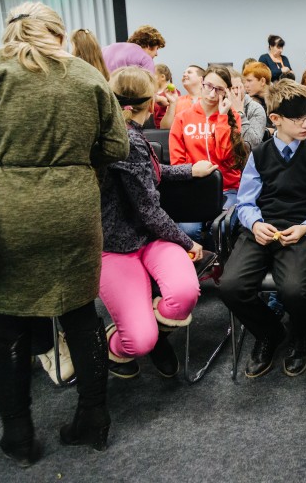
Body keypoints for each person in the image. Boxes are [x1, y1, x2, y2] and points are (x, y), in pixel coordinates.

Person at [0, 1, 129, 466]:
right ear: (58, 33)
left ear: (10, 30)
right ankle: (93, 418)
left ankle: (19, 436)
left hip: (12, 211)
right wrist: (73, 159)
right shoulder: (87, 76)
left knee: (7, 322)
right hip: (75, 209)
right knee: (81, 314)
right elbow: (116, 145)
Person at [219, 81, 306, 378]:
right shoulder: (259, 154)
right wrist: (255, 223)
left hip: (299, 229)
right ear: (275, 119)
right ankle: (270, 333)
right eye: (297, 119)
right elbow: (245, 202)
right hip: (260, 228)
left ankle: (300, 335)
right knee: (231, 287)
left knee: (294, 290)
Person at [99, 67, 212, 379]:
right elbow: (150, 210)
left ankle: (148, 328)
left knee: (184, 295)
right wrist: (188, 242)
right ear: (150, 103)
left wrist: (188, 170)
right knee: (139, 340)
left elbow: (146, 173)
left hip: (150, 238)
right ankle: (115, 343)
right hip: (118, 246)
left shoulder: (123, 132)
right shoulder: (126, 139)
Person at [169, 66, 247, 242]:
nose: (212, 94)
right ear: (202, 83)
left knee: (219, 228)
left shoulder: (233, 116)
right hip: (193, 188)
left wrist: (222, 117)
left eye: (219, 89)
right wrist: (193, 173)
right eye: (209, 86)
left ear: (226, 92)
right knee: (188, 231)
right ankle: (199, 259)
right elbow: (177, 163)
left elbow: (224, 155)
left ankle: (217, 260)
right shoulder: (182, 118)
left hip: (228, 188)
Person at [227, 66, 266, 147]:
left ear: (244, 87)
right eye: (231, 88)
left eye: (238, 87)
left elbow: (253, 143)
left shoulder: (256, 108)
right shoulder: (217, 107)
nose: (236, 92)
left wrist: (239, 114)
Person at [150, 63, 179, 129]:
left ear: (162, 77)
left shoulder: (172, 93)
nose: (150, 77)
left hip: (166, 129)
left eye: (153, 74)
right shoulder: (153, 93)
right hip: (153, 128)